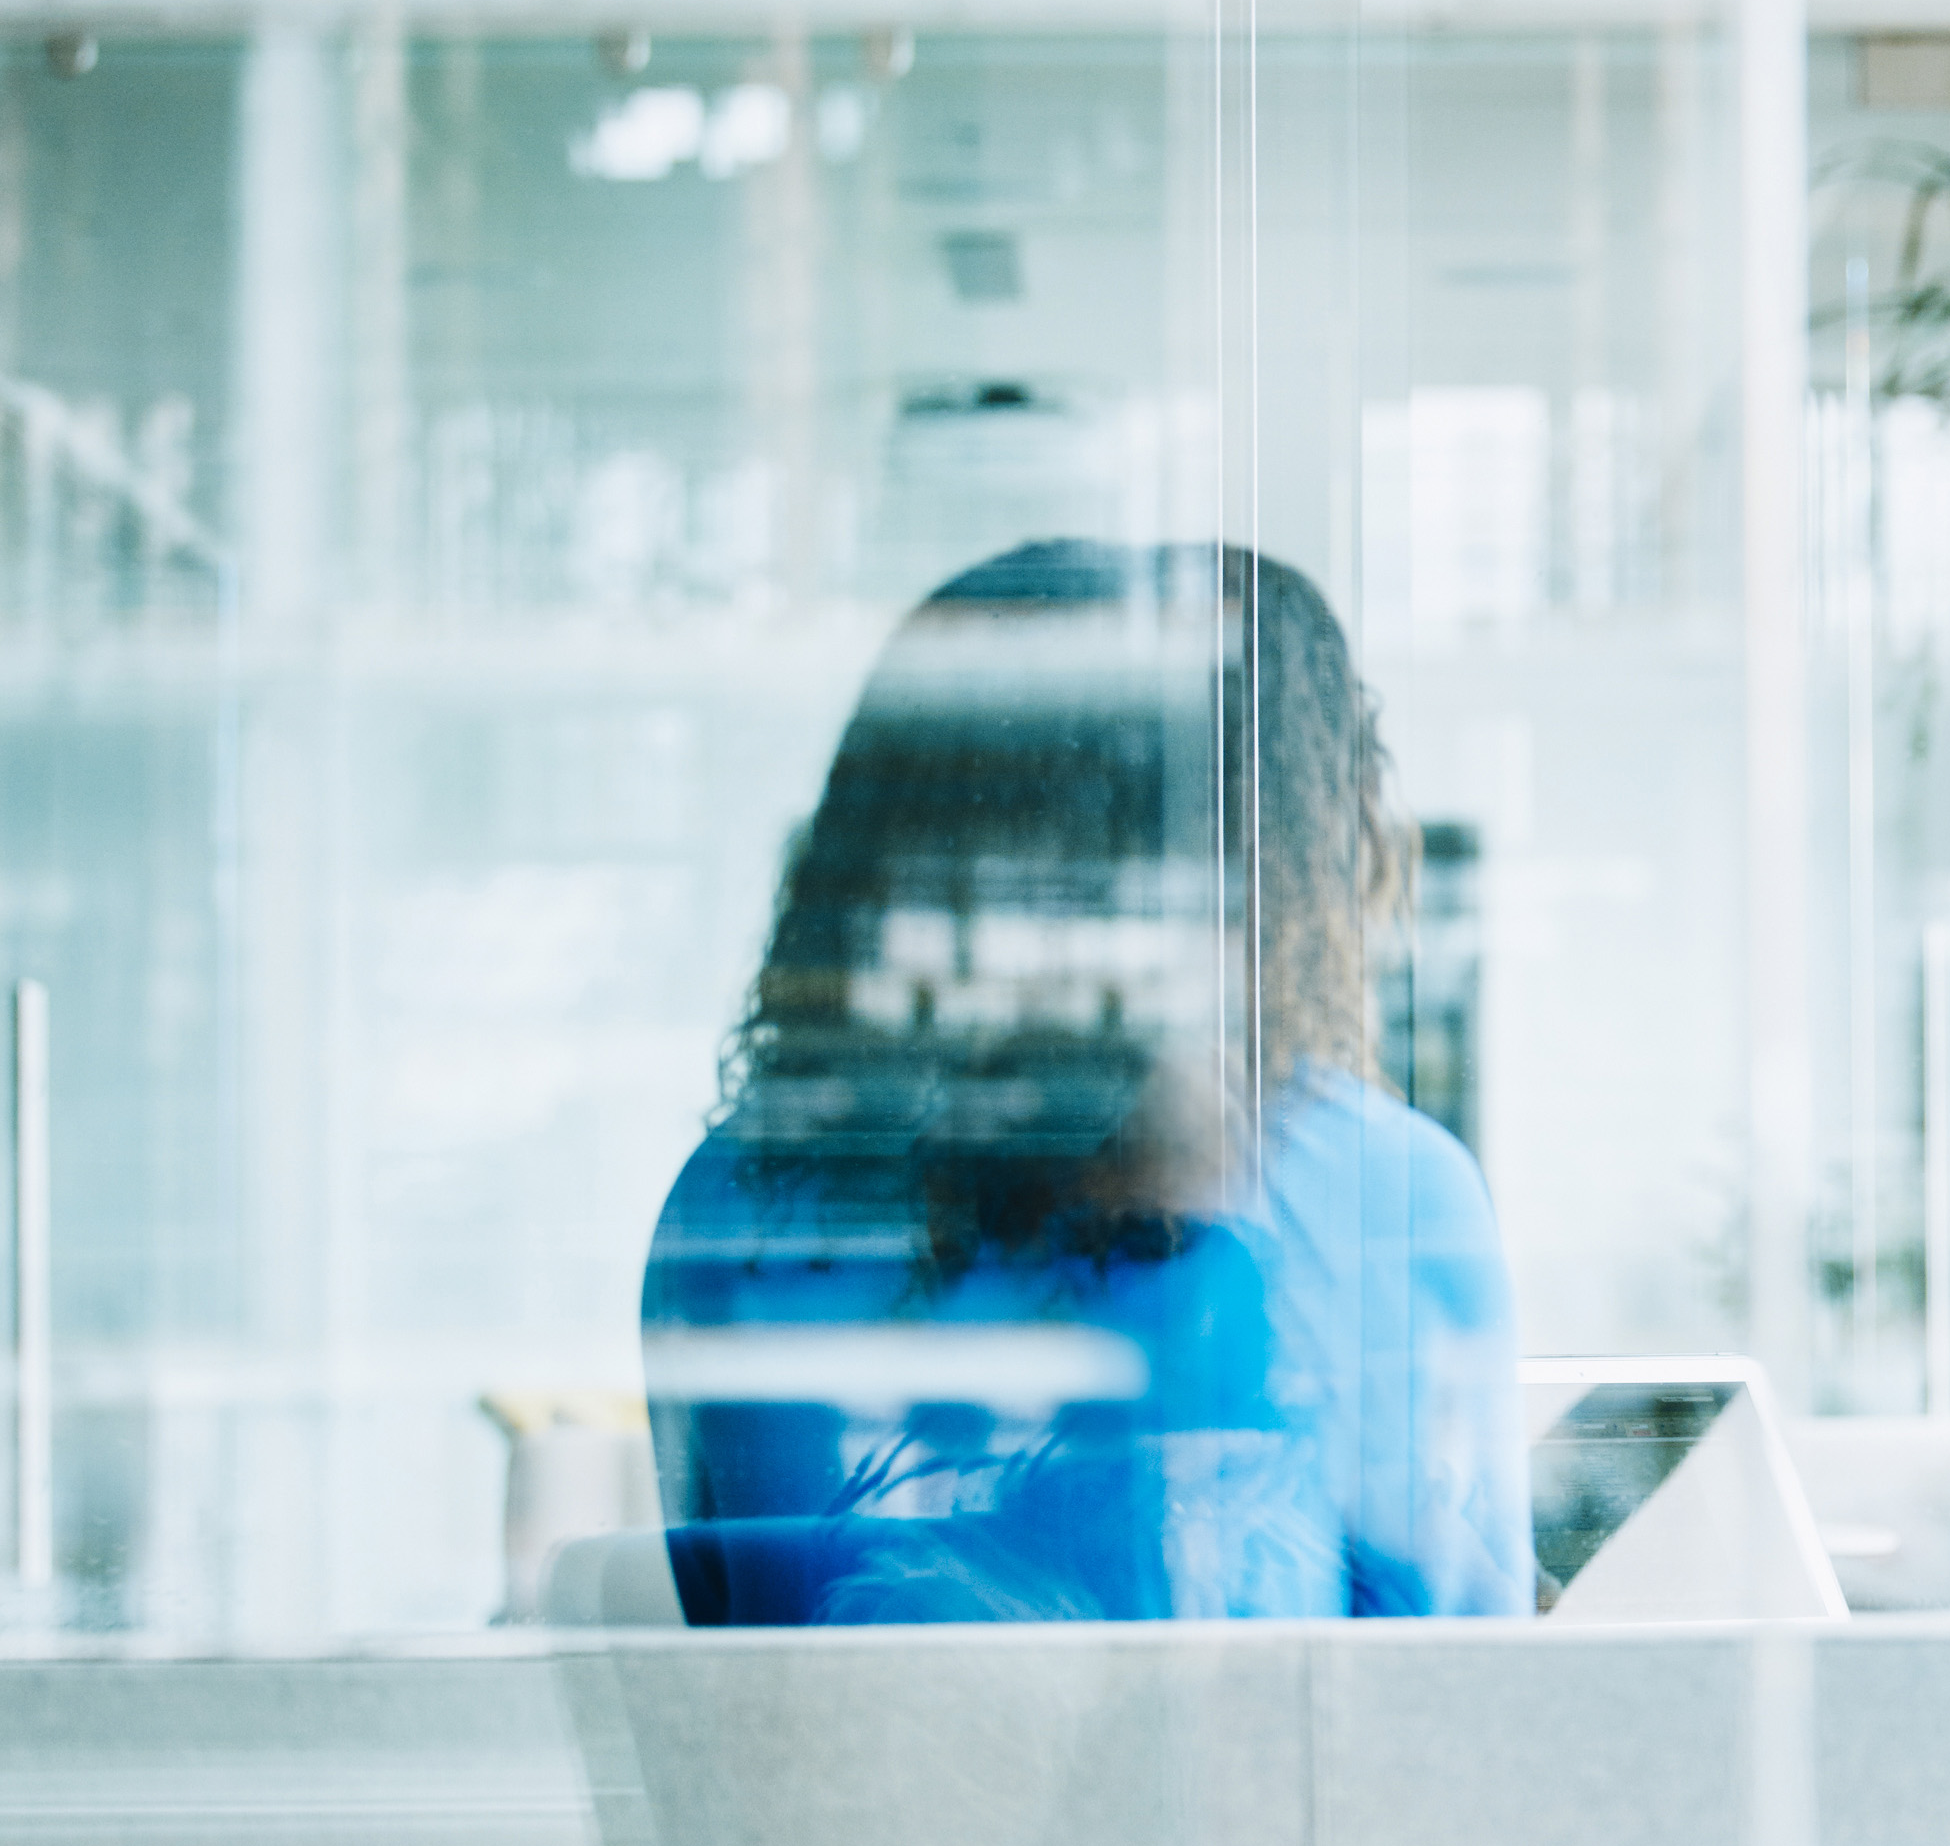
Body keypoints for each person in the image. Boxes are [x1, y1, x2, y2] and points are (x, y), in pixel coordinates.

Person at [639, 540, 1534, 1622]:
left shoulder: (731, 1202)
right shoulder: (1379, 1183)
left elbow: (748, 1654)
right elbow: (1460, 1668)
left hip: (850, 1790)